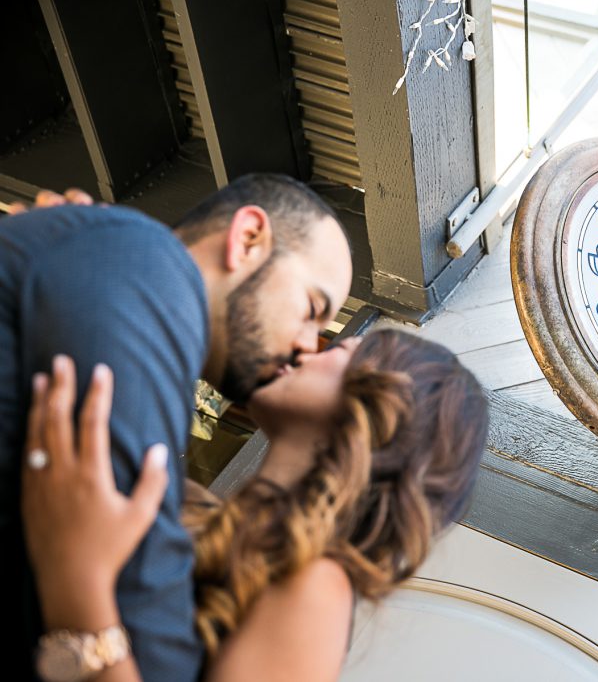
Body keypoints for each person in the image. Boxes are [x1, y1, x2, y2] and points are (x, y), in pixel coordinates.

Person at [0, 176, 353, 681]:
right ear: (248, 238)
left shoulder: (124, 263)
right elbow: (144, 622)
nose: (307, 346)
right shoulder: (148, 264)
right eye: (312, 311)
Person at [22, 329, 488, 681]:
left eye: (338, 351)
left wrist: (76, 581)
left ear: (379, 410)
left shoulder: (318, 586)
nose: (307, 349)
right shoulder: (192, 508)